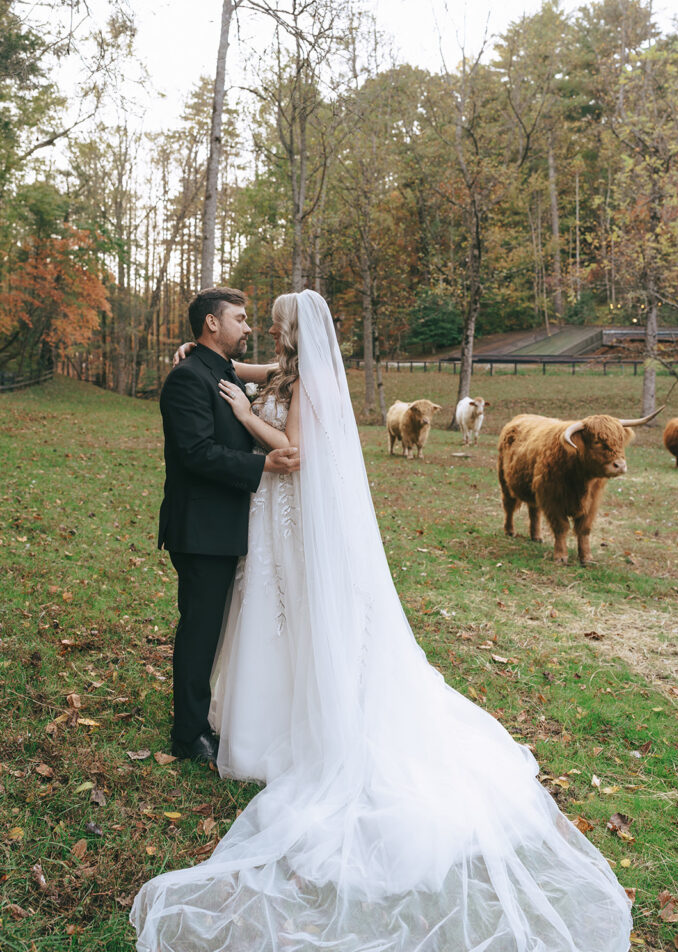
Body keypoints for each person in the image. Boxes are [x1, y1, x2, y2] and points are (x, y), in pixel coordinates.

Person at [132, 290, 631, 952]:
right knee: (263, 609)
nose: (257, 329)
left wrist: (247, 420)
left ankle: (285, 715)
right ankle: (237, 710)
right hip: (268, 513)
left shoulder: (300, 377)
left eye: (269, 322)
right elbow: (249, 377)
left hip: (282, 497)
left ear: (290, 331)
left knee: (292, 609)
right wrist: (207, 362)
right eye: (245, 320)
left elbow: (289, 440)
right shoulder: (274, 370)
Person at [158, 286, 298, 766]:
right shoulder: (188, 380)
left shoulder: (219, 370)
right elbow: (195, 453)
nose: (249, 327)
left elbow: (282, 373)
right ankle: (189, 734)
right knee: (199, 630)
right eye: (240, 318)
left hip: (227, 524)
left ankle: (205, 717)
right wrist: (263, 468)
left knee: (214, 628)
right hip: (200, 528)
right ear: (213, 324)